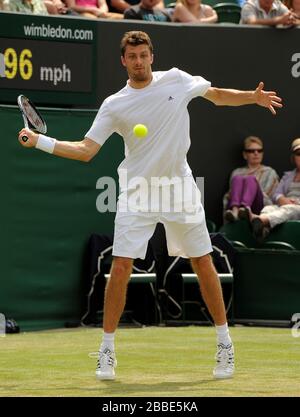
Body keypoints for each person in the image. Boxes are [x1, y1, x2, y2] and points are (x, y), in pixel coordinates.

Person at [18, 31, 283, 381]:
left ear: (152, 56)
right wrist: (41, 141)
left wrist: (252, 97)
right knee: (122, 264)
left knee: (203, 261)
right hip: (137, 191)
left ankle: (224, 342)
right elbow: (86, 150)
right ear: (123, 61)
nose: (139, 61)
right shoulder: (115, 104)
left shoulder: (177, 79)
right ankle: (107, 349)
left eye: (144, 54)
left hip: (180, 188)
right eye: (132, 56)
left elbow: (217, 96)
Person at [250, 138, 300, 240]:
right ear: (293, 158)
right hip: (284, 206)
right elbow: (276, 193)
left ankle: (260, 221)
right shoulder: (288, 176)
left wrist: (295, 202)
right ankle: (262, 233)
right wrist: (280, 198)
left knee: (291, 209)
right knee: (269, 208)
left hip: (296, 207)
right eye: (299, 154)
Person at [223, 136, 279, 223]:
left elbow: (269, 197)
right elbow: (230, 194)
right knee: (238, 178)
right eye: (251, 151)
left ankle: (245, 209)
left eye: (259, 151)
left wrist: (250, 188)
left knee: (250, 179)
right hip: (235, 206)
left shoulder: (270, 172)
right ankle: (235, 212)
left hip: (260, 207)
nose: (256, 153)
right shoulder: (237, 172)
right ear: (245, 155)